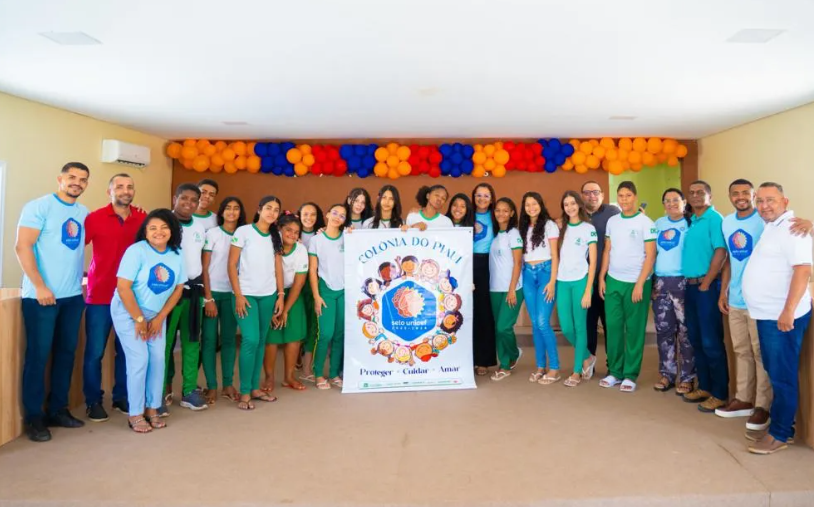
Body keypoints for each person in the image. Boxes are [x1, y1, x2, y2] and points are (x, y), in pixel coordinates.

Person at [16, 162, 90, 442]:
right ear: (60, 179)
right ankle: (34, 417)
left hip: (72, 297)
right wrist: (39, 285)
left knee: (66, 353)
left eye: (83, 179)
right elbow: (22, 246)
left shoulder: (83, 213)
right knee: (38, 356)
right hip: (41, 297)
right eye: (72, 177)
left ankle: (58, 409)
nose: (77, 182)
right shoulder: (39, 207)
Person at [742, 182, 812, 455]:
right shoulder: (773, 227)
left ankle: (780, 434)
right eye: (759, 201)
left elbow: (802, 271)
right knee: (775, 372)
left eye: (770, 200)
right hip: (767, 315)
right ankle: (783, 427)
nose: (764, 206)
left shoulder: (793, 229)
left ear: (785, 201)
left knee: (782, 376)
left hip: (781, 317)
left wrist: (788, 311)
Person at [111, 209, 185, 433]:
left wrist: (160, 317)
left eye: (164, 227)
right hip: (128, 312)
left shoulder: (177, 254)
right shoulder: (136, 251)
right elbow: (123, 288)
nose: (158, 232)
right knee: (140, 359)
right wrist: (139, 318)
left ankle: (152, 408)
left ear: (172, 230)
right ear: (145, 232)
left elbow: (178, 288)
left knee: (158, 359)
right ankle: (135, 413)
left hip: (156, 315)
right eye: (152, 228)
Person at [82, 173, 146, 422]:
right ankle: (93, 401)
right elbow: (75, 249)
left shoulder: (142, 219)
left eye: (130, 187)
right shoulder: (94, 218)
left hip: (131, 297)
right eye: (119, 186)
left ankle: (122, 396)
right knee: (95, 353)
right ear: (109, 191)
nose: (125, 191)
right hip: (100, 296)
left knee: (127, 351)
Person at [599, 181, 656, 393]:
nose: (624, 199)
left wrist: (640, 283)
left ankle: (630, 374)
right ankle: (615, 371)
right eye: (621, 195)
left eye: (628, 195)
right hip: (614, 280)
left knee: (634, 330)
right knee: (613, 327)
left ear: (635, 196)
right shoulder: (612, 221)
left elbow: (651, 255)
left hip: (637, 283)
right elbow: (607, 250)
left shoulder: (646, 222)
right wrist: (602, 277)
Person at [228, 196, 284, 409]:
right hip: (246, 295)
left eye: (276, 210)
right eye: (268, 208)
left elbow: (278, 267)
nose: (272, 212)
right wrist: (238, 295)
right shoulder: (243, 232)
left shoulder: (276, 235)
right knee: (250, 339)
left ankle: (254, 388)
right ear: (259, 209)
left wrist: (280, 294)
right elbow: (231, 264)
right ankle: (244, 392)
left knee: (261, 341)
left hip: (268, 294)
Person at [681, 180, 728, 412]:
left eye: (701, 192)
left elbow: (721, 251)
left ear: (710, 196)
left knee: (711, 341)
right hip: (690, 287)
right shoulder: (693, 221)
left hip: (705, 287)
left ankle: (720, 393)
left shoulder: (714, 219)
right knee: (697, 339)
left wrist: (707, 282)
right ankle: (705, 387)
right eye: (692, 192)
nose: (696, 195)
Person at [163, 183, 208, 412]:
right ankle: (161, 389)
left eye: (194, 200)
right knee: (165, 343)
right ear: (175, 198)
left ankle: (189, 390)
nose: (189, 203)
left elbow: (198, 260)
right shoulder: (164, 223)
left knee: (192, 342)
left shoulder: (199, 227)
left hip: (194, 291)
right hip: (169, 293)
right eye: (184, 198)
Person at [200, 197, 245, 405]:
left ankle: (228, 384)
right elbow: (204, 267)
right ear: (221, 211)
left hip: (233, 294)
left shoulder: (244, 234)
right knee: (209, 340)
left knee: (229, 340)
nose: (232, 212)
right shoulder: (213, 234)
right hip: (212, 293)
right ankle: (211, 385)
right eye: (228, 208)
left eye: (236, 208)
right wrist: (208, 297)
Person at [651, 189, 693, 394]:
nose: (671, 204)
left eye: (675, 200)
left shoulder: (691, 223)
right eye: (667, 201)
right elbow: (651, 253)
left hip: (683, 282)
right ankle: (667, 374)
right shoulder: (658, 224)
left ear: (684, 202)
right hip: (660, 283)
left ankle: (687, 377)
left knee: (686, 331)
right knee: (664, 330)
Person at [555, 191, 597, 388]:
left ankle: (577, 371)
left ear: (579, 205)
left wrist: (588, 290)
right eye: (566, 204)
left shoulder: (588, 228)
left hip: (581, 281)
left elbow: (593, 262)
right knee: (566, 328)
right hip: (562, 281)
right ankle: (588, 356)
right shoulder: (560, 227)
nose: (570, 207)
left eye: (573, 203)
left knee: (580, 327)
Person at [518, 191, 560, 384]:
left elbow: (555, 255)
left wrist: (552, 281)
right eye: (527, 205)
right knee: (535, 323)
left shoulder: (549, 225)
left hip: (545, 273)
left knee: (543, 322)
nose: (531, 208)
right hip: (528, 274)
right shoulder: (522, 227)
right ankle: (540, 366)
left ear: (541, 205)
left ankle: (555, 368)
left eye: (534, 204)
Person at [265, 213, 309, 391]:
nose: (292, 234)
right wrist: (276, 304)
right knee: (271, 337)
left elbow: (299, 283)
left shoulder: (301, 250)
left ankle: (289, 377)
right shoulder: (269, 246)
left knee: (294, 336)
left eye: (296, 232)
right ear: (279, 229)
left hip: (293, 294)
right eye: (288, 230)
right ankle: (269, 377)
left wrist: (285, 310)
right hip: (270, 291)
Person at [308, 203, 347, 390]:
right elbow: (312, 270)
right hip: (326, 290)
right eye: (335, 213)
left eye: (342, 215)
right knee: (325, 334)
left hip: (344, 291)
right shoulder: (316, 240)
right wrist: (316, 296)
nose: (338, 217)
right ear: (327, 214)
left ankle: (333, 374)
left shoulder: (348, 237)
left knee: (340, 334)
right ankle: (318, 374)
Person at [581, 181, 620, 364]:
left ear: (602, 195)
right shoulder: (576, 214)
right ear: (582, 196)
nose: (592, 195)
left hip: (608, 279)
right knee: (588, 325)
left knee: (610, 324)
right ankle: (589, 363)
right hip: (585, 281)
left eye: (595, 192)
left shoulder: (613, 212)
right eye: (587, 192)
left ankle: (613, 365)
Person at [488, 198, 524, 381]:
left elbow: (518, 263)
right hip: (494, 288)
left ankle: (512, 356)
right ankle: (505, 362)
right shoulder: (495, 235)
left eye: (505, 210)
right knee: (498, 328)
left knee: (504, 327)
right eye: (497, 210)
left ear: (511, 213)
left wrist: (512, 289)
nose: (501, 213)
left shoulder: (513, 234)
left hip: (512, 288)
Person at [470, 183, 498, 376]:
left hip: (488, 265)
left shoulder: (496, 216)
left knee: (484, 312)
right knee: (464, 311)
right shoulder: (466, 214)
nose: (482, 199)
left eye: (486, 195)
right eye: (478, 195)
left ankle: (483, 360)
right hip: (465, 264)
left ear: (492, 198)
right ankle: (465, 359)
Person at [296, 202, 324, 381]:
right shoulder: (291, 233)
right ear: (299, 215)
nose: (309, 218)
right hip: (295, 284)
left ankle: (307, 368)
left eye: (313, 214)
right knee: (297, 323)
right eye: (305, 214)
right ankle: (295, 358)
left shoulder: (322, 234)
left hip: (314, 283)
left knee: (313, 324)